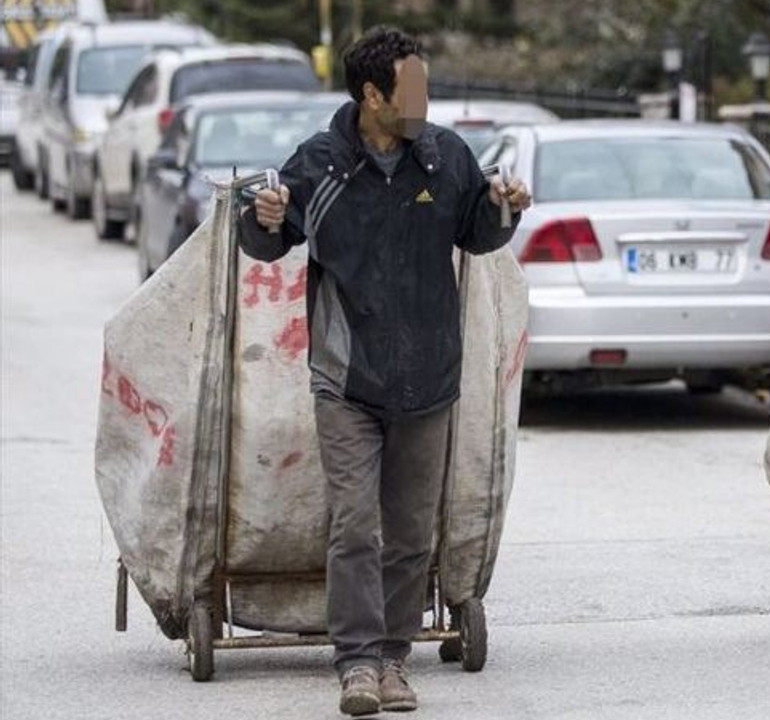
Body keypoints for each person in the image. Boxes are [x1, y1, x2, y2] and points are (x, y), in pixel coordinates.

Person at [237, 26, 531, 717]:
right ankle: (358, 664)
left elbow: (476, 235)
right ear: (373, 96)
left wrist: (502, 208)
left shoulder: (444, 157)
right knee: (354, 525)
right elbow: (265, 240)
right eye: (414, 89)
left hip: (430, 376)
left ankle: (395, 658)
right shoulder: (323, 164)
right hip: (347, 376)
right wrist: (266, 216)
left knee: (407, 532)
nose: (425, 100)